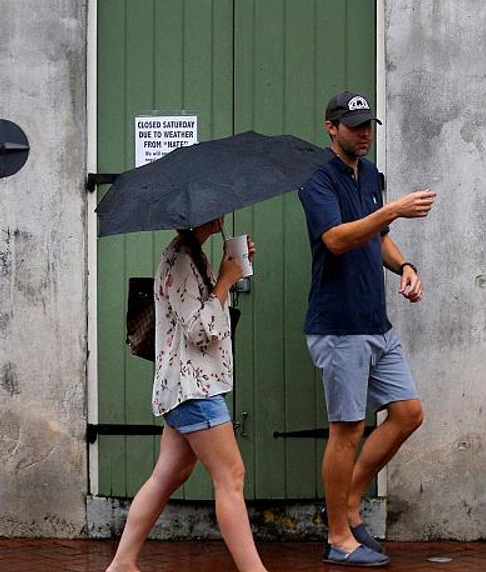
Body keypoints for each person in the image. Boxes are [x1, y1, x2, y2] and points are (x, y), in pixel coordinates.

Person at [298, 92, 436, 567]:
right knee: (347, 432)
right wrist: (392, 210)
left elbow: (377, 238)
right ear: (330, 127)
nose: (364, 132)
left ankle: (350, 503)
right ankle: (339, 537)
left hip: (375, 323)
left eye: (368, 125)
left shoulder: (371, 174)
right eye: (354, 125)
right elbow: (336, 239)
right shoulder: (317, 179)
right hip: (338, 327)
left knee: (408, 413)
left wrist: (405, 266)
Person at [105, 219, 266, 572]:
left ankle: (121, 564)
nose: (220, 213)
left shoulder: (192, 255)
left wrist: (229, 273)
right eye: (214, 208)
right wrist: (224, 282)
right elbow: (198, 330)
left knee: (167, 476)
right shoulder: (180, 260)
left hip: (188, 385)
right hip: (194, 389)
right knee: (231, 476)